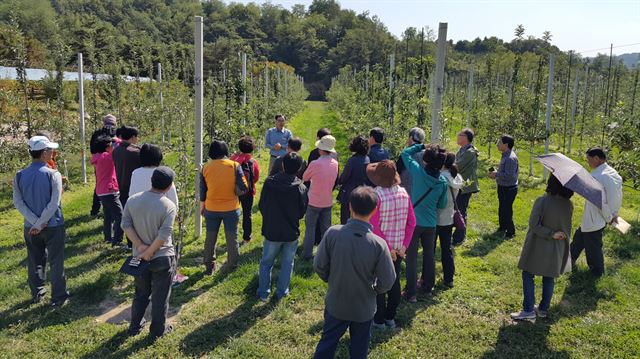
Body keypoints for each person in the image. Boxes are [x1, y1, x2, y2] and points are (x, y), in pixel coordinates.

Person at [313, 186, 396, 359]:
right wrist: (375, 290)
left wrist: (332, 279)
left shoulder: (332, 233)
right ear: (374, 210)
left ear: (349, 206)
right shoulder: (379, 244)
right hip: (363, 308)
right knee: (360, 348)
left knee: (327, 343)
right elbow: (388, 280)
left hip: (336, 303)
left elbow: (319, 265)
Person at [13, 136, 69, 307]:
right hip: (52, 225)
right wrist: (42, 222)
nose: (53, 152)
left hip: (30, 228)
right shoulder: (53, 174)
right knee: (56, 261)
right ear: (44, 153)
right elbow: (54, 203)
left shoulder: (20, 175)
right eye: (50, 150)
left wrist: (34, 222)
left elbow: (18, 202)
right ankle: (59, 296)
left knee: (35, 259)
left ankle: (37, 292)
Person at [122, 167, 177, 339]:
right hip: (162, 257)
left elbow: (126, 224)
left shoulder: (133, 200)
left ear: (151, 181)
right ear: (169, 187)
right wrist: (151, 251)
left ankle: (135, 326)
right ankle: (157, 331)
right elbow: (164, 234)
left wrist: (140, 247)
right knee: (160, 297)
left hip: (139, 258)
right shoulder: (168, 206)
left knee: (141, 293)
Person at [511, 175, 574, 320]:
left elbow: (534, 224)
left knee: (528, 273)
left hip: (538, 244)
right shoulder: (568, 204)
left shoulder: (543, 201)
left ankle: (528, 310)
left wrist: (550, 233)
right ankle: (543, 309)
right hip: (557, 246)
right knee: (549, 277)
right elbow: (567, 227)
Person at [367, 160, 416, 330]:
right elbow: (412, 222)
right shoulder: (404, 193)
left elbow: (374, 225)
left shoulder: (376, 195)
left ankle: (378, 320)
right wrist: (403, 246)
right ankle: (390, 317)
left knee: (379, 284)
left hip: (381, 249)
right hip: (398, 249)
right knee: (394, 282)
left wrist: (387, 247)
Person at [257, 153, 308, 301]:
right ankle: (282, 292)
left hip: (272, 229)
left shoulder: (269, 183)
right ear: (299, 168)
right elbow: (301, 212)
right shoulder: (301, 188)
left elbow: (262, 206)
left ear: (282, 165)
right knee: (287, 263)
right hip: (291, 231)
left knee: (266, 262)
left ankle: (263, 292)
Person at [401, 143, 448, 302]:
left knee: (412, 257)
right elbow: (442, 204)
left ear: (425, 160)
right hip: (431, 223)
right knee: (429, 255)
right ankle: (428, 287)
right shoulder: (442, 182)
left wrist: (420, 145)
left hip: (414, 223)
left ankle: (411, 292)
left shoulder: (418, 172)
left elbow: (405, 154)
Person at [570, 147, 623, 277]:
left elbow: (600, 203)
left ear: (596, 159)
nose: (587, 162)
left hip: (597, 217)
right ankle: (567, 260)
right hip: (602, 215)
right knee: (580, 237)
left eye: (588, 159)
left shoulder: (597, 176)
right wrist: (613, 213)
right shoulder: (612, 172)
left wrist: (609, 217)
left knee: (593, 245)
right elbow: (617, 195)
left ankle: (597, 273)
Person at [200, 140, 248, 274]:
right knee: (232, 238)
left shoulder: (205, 167)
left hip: (211, 207)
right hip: (231, 208)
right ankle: (232, 265)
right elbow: (244, 187)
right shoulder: (234, 165)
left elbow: (202, 191)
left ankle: (209, 265)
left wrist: (202, 206)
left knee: (210, 237)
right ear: (226, 151)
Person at [301, 135, 339, 260]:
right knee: (326, 229)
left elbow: (305, 177)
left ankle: (307, 254)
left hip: (314, 201)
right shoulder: (335, 163)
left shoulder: (315, 163)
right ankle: (325, 254)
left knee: (310, 228)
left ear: (322, 150)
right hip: (327, 201)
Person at [436, 153, 464, 288]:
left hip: (436, 217)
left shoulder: (441, 178)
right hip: (449, 217)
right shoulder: (457, 177)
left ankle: (426, 279)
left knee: (430, 250)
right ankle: (449, 278)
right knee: (447, 249)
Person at [91, 135, 124, 247]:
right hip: (110, 190)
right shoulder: (107, 157)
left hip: (101, 191)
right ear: (106, 147)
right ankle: (117, 241)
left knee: (108, 215)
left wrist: (113, 141)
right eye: (111, 145)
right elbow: (119, 148)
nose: (113, 146)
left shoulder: (98, 157)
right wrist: (118, 140)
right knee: (120, 216)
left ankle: (108, 238)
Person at [113, 125, 141, 248]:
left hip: (121, 186)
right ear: (133, 137)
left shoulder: (116, 151)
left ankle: (130, 242)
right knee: (136, 217)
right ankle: (136, 241)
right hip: (134, 186)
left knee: (127, 215)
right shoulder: (135, 152)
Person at [230, 136, 260, 244]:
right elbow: (256, 178)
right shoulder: (253, 162)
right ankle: (246, 237)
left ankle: (232, 236)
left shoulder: (233, 159)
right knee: (247, 214)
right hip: (248, 191)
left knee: (233, 213)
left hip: (234, 191)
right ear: (252, 149)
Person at [452, 128, 479, 246]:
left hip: (466, 186)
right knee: (458, 209)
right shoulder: (462, 150)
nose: (458, 136)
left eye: (460, 134)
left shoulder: (470, 152)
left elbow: (458, 165)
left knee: (460, 210)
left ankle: (459, 237)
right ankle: (458, 234)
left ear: (466, 137)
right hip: (461, 184)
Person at [89, 114, 120, 216]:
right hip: (105, 161)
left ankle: (99, 209)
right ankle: (99, 209)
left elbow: (92, 149)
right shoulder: (102, 135)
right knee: (106, 183)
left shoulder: (98, 133)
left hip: (102, 162)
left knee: (101, 184)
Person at [489, 135, 519, 239]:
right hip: (503, 187)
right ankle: (503, 227)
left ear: (506, 145)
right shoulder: (505, 155)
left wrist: (496, 174)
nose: (497, 144)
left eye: (499, 142)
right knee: (502, 208)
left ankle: (511, 231)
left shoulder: (510, 158)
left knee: (506, 210)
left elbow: (509, 176)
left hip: (508, 189)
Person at [337, 136, 370, 224]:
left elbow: (344, 178)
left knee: (345, 218)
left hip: (349, 192)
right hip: (362, 192)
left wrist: (338, 180)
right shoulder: (367, 159)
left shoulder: (352, 160)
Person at [397, 127, 426, 196]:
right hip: (421, 193)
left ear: (410, 138)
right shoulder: (426, 154)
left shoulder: (406, 154)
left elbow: (397, 171)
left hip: (405, 192)